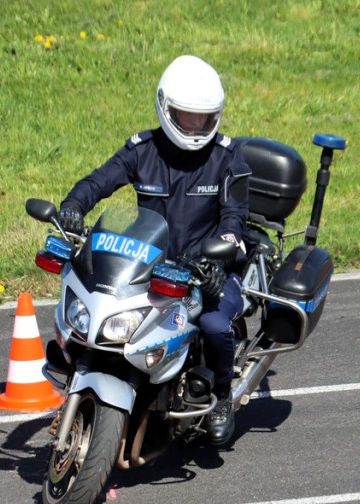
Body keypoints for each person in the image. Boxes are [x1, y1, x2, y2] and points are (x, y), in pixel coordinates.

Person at [56, 55, 251, 446]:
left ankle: (223, 397)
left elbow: (234, 219)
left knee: (214, 326)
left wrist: (221, 257)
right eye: (186, 117)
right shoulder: (142, 150)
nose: (196, 127)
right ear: (165, 108)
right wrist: (74, 206)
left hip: (204, 270)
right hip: (147, 266)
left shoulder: (227, 157)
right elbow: (99, 181)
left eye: (204, 118)